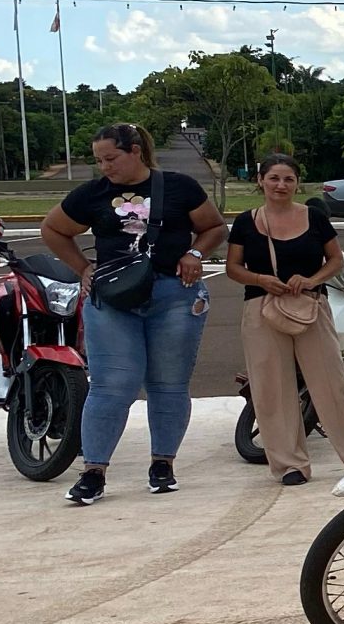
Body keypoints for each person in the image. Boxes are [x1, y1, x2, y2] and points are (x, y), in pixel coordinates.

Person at [41, 122, 227, 506]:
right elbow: (53, 229)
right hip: (113, 298)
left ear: (135, 151)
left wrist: (195, 254)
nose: (105, 167)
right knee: (112, 385)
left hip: (173, 294)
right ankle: (94, 471)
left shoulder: (178, 186)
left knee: (168, 383)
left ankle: (163, 464)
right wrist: (82, 268)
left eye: (111, 158)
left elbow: (213, 227)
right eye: (99, 160)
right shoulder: (92, 194)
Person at [225, 153, 344, 485]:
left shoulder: (314, 217)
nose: (281, 185)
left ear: (297, 183)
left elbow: (335, 260)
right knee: (272, 388)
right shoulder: (245, 222)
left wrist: (312, 280)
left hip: (311, 306)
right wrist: (260, 280)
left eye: (288, 179)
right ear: (261, 181)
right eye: (274, 178)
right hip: (261, 309)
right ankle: (289, 464)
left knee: (331, 383)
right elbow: (233, 268)